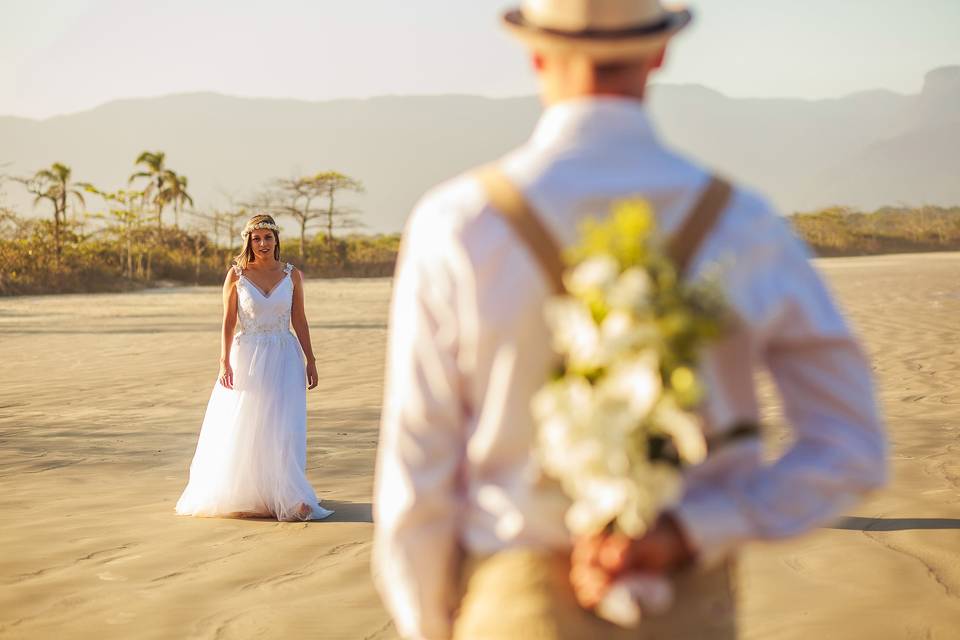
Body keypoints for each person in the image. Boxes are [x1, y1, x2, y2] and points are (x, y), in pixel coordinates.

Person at [373, 1, 887, 638]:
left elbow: (417, 473)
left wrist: (427, 622)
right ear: (660, 52)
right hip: (689, 606)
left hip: (515, 602)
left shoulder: (458, 223)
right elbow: (852, 450)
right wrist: (696, 528)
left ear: (535, 52)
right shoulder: (744, 224)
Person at [176, 214, 333, 522]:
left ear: (276, 240)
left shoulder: (292, 275)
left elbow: (299, 319)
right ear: (248, 241)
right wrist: (223, 361)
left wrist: (311, 359)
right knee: (248, 423)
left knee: (283, 425)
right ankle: (251, 494)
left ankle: (289, 495)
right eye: (256, 238)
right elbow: (228, 321)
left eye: (267, 238)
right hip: (246, 354)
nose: (262, 244)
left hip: (285, 355)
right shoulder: (236, 275)